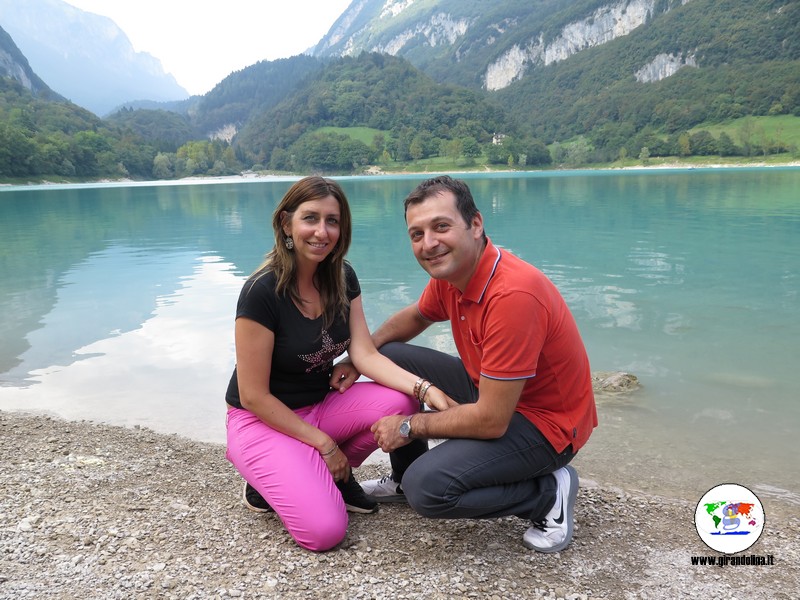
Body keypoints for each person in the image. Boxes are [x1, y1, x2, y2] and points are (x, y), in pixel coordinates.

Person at [333, 175, 597, 553]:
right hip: (496, 396)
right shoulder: (454, 273)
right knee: (386, 357)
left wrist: (408, 426)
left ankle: (547, 493)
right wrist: (361, 357)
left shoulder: (513, 295)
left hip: (547, 426)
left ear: (475, 224)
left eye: (441, 226)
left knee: (430, 489)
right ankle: (403, 476)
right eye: (417, 234)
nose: (429, 244)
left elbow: (491, 420)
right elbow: (414, 317)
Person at [225, 176, 452, 552]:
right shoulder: (262, 292)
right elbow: (252, 396)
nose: (322, 231)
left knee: (402, 403)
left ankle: (313, 476)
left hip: (321, 405)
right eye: (310, 218)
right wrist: (326, 446)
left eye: (332, 220)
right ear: (286, 224)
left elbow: (364, 354)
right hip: (262, 418)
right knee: (325, 532)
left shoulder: (343, 277)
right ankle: (269, 482)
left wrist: (425, 389)